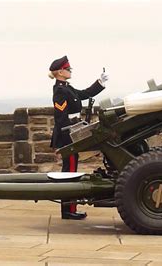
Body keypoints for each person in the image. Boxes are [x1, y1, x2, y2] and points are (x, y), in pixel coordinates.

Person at [49, 55, 108, 220]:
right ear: (60, 72)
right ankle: (68, 210)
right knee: (70, 172)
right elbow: (61, 118)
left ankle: (69, 209)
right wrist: (67, 140)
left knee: (71, 170)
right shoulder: (60, 91)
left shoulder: (67, 87)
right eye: (68, 69)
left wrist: (100, 83)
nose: (70, 71)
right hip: (67, 134)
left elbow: (84, 94)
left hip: (71, 131)